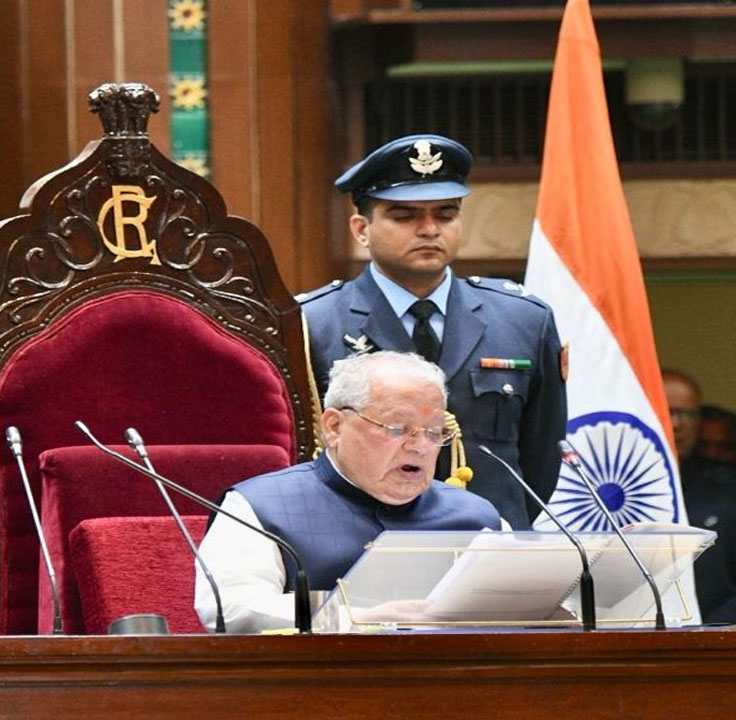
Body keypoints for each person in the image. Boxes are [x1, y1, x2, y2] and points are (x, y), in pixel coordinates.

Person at [298, 133, 567, 530]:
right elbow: (302, 453)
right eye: (404, 216)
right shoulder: (313, 323)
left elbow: (540, 457)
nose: (428, 230)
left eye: (445, 214)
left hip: (490, 539)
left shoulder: (523, 318)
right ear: (360, 229)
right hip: (362, 541)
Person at [195, 351, 501, 633]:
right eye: (396, 428)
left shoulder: (477, 516)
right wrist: (352, 617)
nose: (420, 447)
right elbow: (230, 608)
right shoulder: (259, 507)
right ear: (334, 427)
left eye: (434, 432)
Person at [662, 368, 736, 623]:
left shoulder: (726, 490)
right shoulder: (609, 490)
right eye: (666, 410)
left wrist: (707, 632)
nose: (676, 424)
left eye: (686, 414)